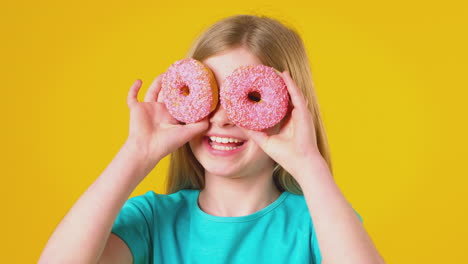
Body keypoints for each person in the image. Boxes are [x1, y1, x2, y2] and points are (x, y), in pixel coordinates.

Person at [38, 14, 385, 264]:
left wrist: (309, 164)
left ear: (289, 109)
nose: (220, 117)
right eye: (210, 96)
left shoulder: (318, 223)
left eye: (247, 99)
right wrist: (136, 154)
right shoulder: (151, 221)